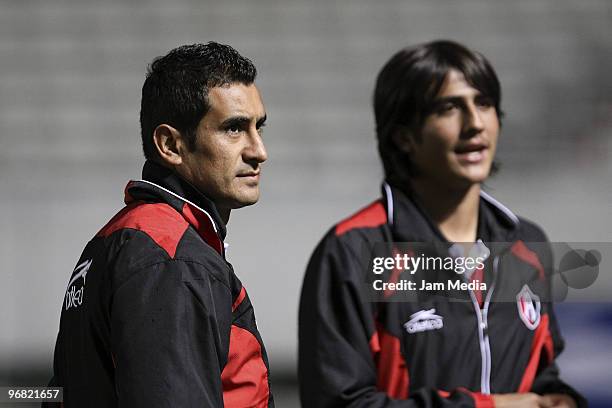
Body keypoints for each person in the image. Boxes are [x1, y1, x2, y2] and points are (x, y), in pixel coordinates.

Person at [299, 40, 585, 407]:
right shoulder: (352, 250)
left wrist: (561, 400)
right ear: (404, 136)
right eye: (449, 108)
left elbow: (540, 374)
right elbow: (339, 403)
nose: (475, 123)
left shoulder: (526, 244)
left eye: (484, 104)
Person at [48, 42, 273, 407]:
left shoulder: (124, 236)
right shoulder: (171, 259)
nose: (258, 150)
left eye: (258, 127)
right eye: (234, 129)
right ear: (170, 145)